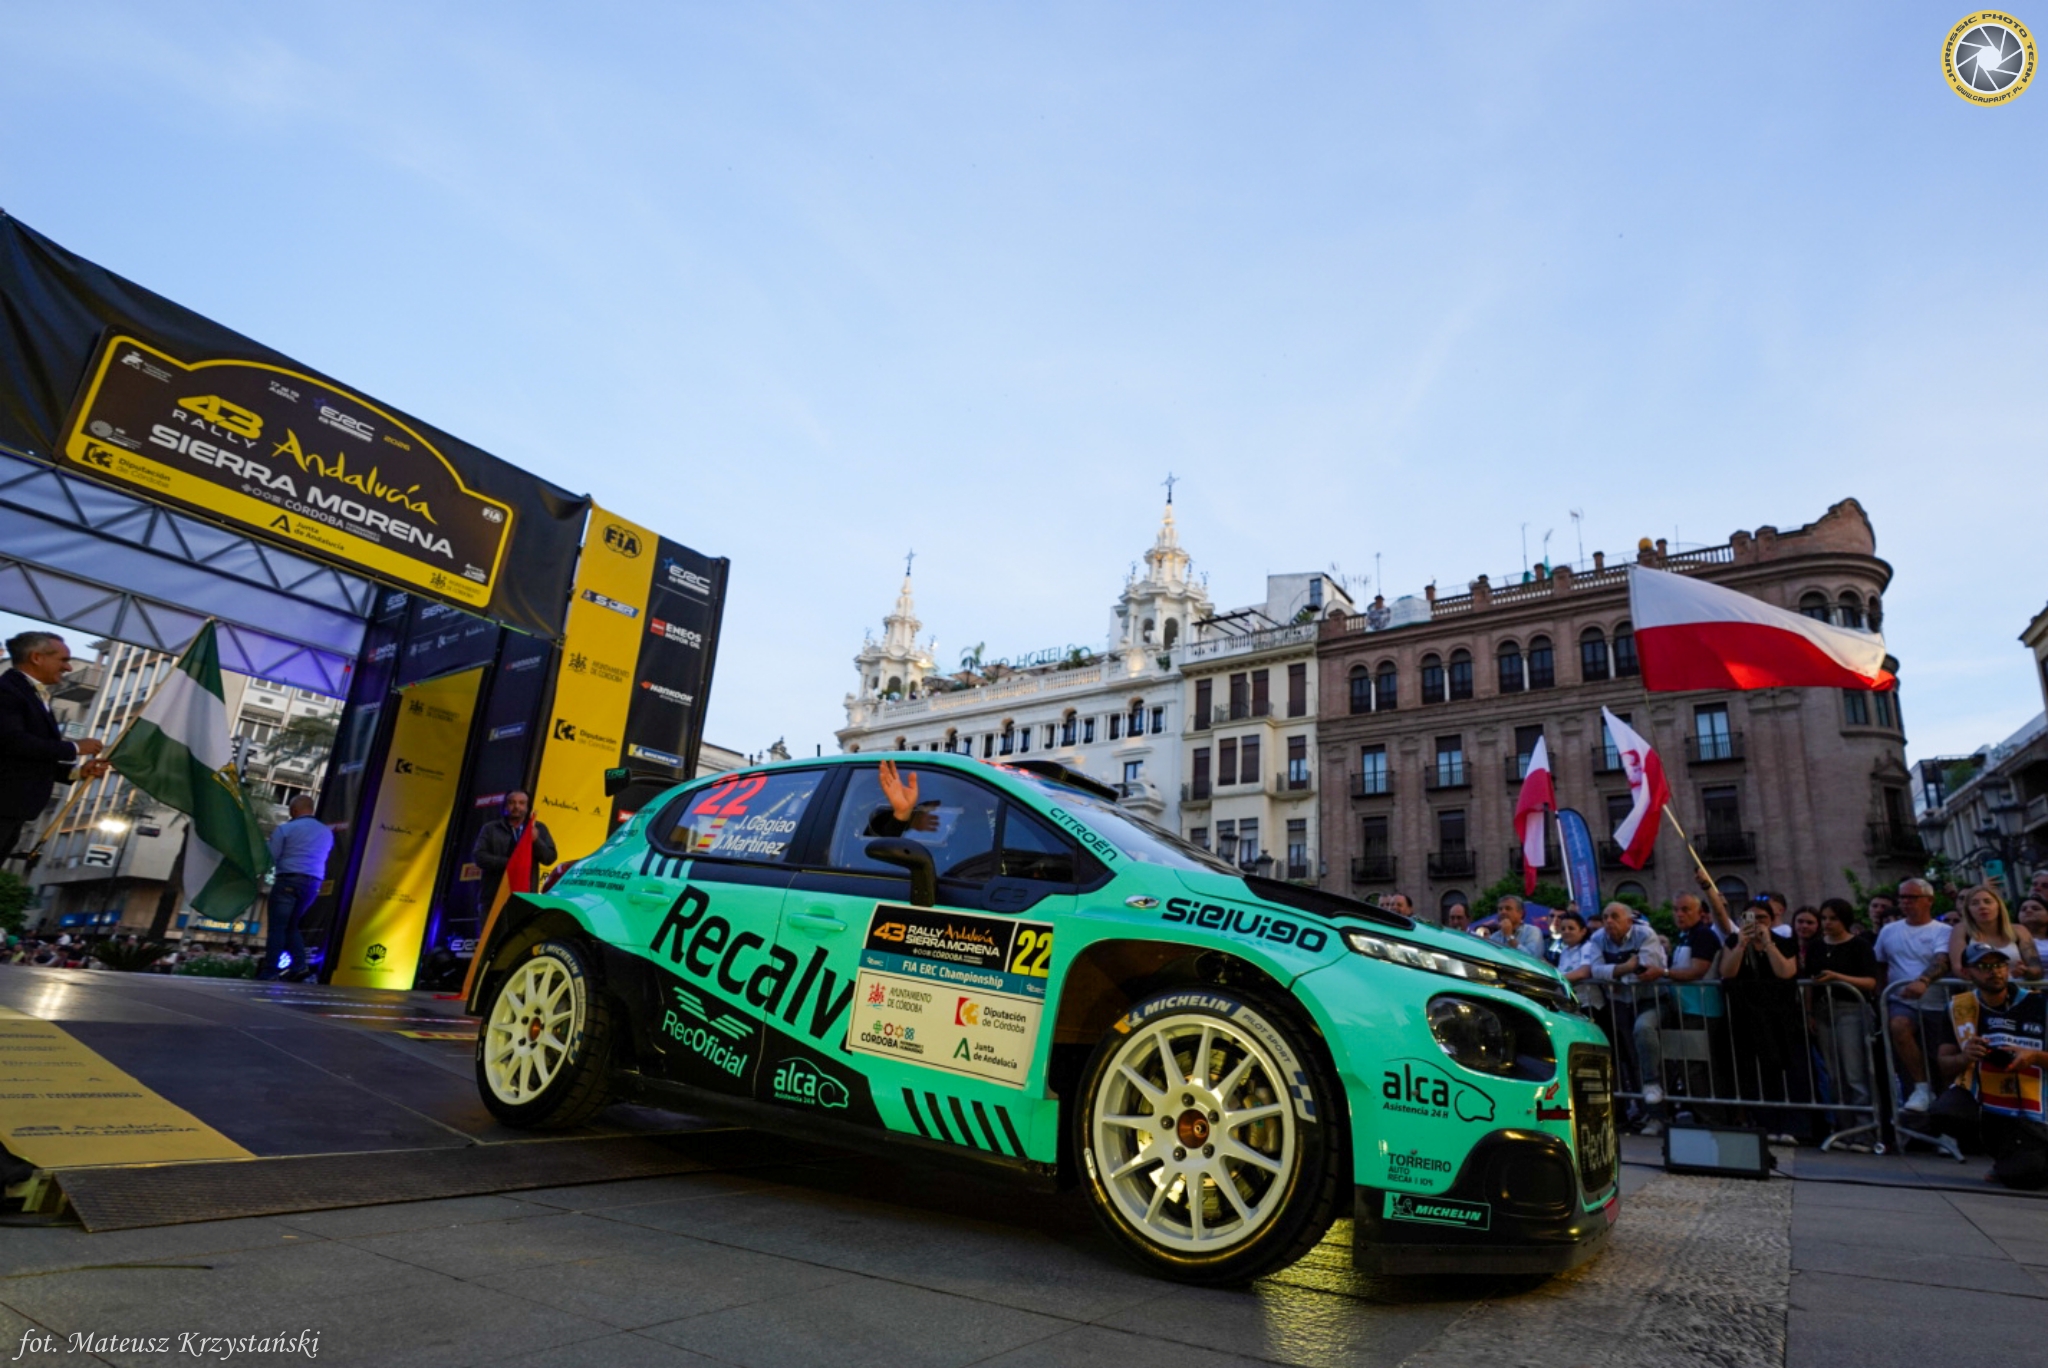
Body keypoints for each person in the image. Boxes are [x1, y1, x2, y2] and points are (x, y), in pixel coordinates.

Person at [1929, 943, 2047, 1189]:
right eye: (1984, 966)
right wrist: (1965, 1057)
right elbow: (1944, 1064)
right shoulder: (1959, 1008)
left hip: (2036, 1103)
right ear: (1966, 972)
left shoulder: (2040, 1004)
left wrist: (2035, 1057)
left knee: (2025, 1177)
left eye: (2000, 965)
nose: (1994, 971)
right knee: (1945, 1111)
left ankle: (2020, 1155)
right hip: (1987, 1100)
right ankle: (2003, 1154)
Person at [0, 631, 108, 862]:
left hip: (13, 810)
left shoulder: (26, 692)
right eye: (63, 660)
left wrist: (76, 772)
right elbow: (13, 743)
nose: (68, 668)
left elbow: (24, 759)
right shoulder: (7, 691)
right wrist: (74, 748)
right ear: (36, 657)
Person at [1718, 892, 1809, 1139]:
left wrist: (1767, 943)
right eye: (1751, 918)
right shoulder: (1734, 941)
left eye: (1762, 918)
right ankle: (1764, 1123)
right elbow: (1728, 971)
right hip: (1745, 1014)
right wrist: (1742, 944)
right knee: (1751, 1071)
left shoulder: (1783, 941)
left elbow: (1785, 972)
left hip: (1779, 1014)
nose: (1757, 923)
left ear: (1771, 920)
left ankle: (1790, 1125)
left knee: (1783, 1068)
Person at [1875, 877, 1956, 1114]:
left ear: (1929, 900)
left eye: (1912, 897)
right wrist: (1880, 996)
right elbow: (1879, 963)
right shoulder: (1888, 930)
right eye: (1902, 897)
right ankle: (1922, 1088)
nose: (1905, 902)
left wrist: (1923, 981)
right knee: (1899, 1025)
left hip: (1937, 1004)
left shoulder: (1943, 930)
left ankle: (1947, 1114)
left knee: (1940, 1059)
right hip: (1902, 1002)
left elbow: (1942, 960)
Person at [1586, 902, 1667, 1116]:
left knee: (1644, 1033)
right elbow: (1595, 970)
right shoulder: (1597, 938)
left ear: (1629, 921)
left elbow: (1644, 972)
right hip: (1621, 1004)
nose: (1608, 921)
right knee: (1630, 1057)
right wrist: (1627, 967)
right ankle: (1644, 1112)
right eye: (1605, 917)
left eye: (1614, 916)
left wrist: (1614, 976)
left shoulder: (1645, 935)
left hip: (1650, 1000)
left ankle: (1656, 1104)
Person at [1811, 897, 1880, 1124]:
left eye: (1833, 918)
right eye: (1824, 918)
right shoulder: (1817, 946)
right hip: (1822, 1010)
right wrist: (1809, 1013)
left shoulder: (1859, 945)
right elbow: (1809, 982)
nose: (1827, 923)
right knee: (1833, 1074)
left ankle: (1865, 1129)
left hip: (1851, 1009)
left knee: (1854, 1073)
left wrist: (1837, 977)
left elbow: (1870, 981)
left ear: (1845, 920)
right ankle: (1843, 1126)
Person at [261, 796, 333, 980]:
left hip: (288, 880)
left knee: (277, 928)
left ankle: (270, 971)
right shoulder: (326, 832)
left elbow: (271, 856)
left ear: (293, 810)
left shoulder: (286, 829)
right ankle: (300, 966)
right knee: (292, 925)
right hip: (313, 884)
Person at [474, 789, 557, 906]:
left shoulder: (538, 828)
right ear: (505, 805)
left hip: (524, 897)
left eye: (521, 803)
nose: (516, 806)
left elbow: (550, 858)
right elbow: (479, 856)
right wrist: (512, 863)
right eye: (512, 802)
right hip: (493, 896)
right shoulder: (491, 828)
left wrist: (536, 841)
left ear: (528, 807)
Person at [1945, 884, 2043, 981]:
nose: (1982, 906)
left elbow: (2037, 968)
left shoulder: (2019, 930)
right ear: (1968, 910)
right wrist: (1993, 981)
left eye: (1987, 902)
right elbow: (1958, 968)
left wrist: (2025, 971)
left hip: (2018, 988)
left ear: (1999, 906)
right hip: (1980, 989)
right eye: (1975, 903)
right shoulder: (1961, 930)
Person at [1553, 910, 1599, 1005]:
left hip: (1588, 1004)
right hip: (1570, 1002)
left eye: (1571, 928)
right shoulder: (1564, 950)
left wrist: (1556, 980)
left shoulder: (1588, 947)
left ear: (1583, 931)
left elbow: (1584, 972)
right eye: (1563, 929)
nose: (1566, 931)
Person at [1483, 895, 1547, 958]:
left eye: (1508, 908)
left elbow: (1533, 959)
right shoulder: (1494, 937)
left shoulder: (1532, 931)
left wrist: (1509, 936)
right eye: (1500, 909)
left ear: (1520, 913)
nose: (1503, 912)